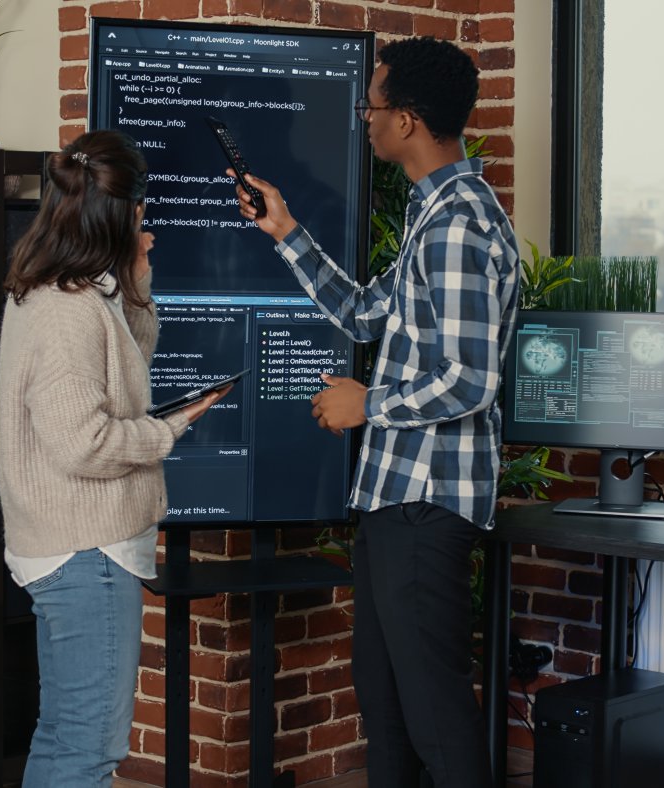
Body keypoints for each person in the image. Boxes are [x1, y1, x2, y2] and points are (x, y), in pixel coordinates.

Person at [230, 37, 520, 787]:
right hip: (397, 502)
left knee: (437, 722)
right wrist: (286, 230)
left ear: (410, 122)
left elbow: (470, 380)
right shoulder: (437, 216)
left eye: (375, 104)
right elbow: (364, 315)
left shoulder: (458, 226)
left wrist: (369, 405)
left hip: (427, 507)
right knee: (387, 712)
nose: (365, 117)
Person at [0, 129, 226, 787]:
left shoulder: (71, 292)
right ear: (114, 213)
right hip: (86, 553)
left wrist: (135, 287)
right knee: (89, 750)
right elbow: (85, 442)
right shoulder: (66, 311)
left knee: (67, 735)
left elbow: (127, 372)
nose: (144, 220)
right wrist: (169, 430)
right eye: (140, 209)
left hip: (78, 549)